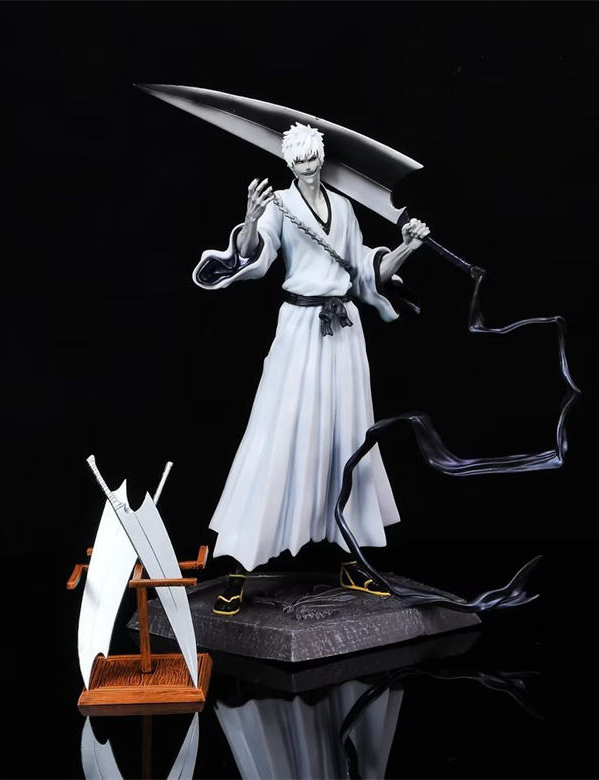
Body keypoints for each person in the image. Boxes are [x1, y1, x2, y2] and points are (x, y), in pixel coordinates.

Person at [194, 123, 430, 615]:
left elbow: (366, 275)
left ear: (321, 158)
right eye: (297, 160)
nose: (305, 166)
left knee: (349, 437)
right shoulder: (279, 206)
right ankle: (238, 564)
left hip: (344, 332)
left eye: (311, 158)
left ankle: (350, 555)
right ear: (289, 163)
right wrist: (250, 221)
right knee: (275, 435)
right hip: (300, 329)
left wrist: (407, 247)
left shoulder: (343, 207)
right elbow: (254, 257)